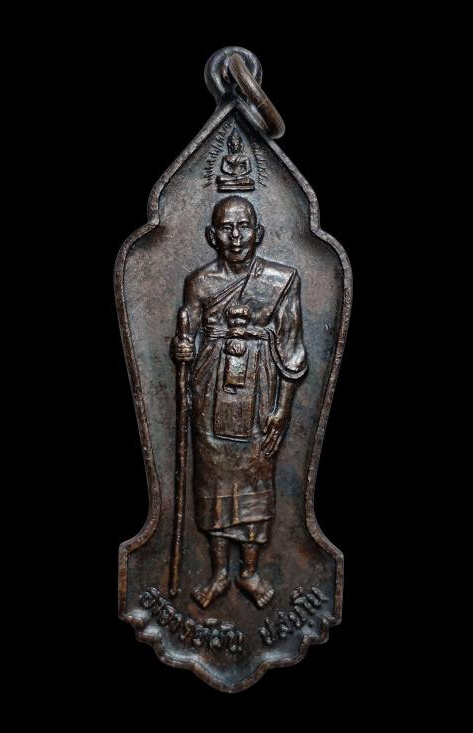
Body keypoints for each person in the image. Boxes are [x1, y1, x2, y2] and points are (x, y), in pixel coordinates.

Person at [171, 196, 307, 609]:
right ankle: (217, 574)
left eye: (243, 226)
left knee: (255, 478)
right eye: (226, 228)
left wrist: (282, 409)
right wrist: (181, 348)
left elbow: (293, 351)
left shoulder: (282, 280)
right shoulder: (199, 282)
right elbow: (188, 335)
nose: (235, 236)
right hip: (209, 394)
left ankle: (248, 572)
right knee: (212, 483)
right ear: (211, 235)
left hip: (260, 392)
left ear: (258, 233)